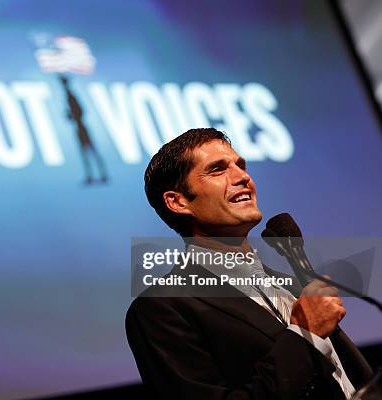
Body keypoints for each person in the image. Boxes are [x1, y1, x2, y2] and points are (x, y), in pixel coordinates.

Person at [126, 128, 373, 399]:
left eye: (241, 165)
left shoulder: (288, 283)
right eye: (217, 169)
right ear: (178, 201)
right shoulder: (162, 308)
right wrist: (304, 334)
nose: (243, 177)